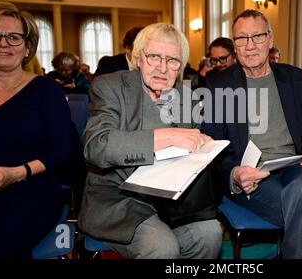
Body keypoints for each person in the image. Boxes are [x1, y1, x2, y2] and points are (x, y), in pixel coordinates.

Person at [201, 9, 302, 259]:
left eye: (257, 36)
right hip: (252, 174)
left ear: (270, 38)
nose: (250, 45)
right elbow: (213, 143)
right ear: (234, 45)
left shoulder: (295, 78)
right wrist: (234, 173)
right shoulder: (219, 84)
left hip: (294, 165)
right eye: (241, 38)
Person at [78, 22, 223, 259]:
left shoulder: (188, 98)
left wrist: (200, 146)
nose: (162, 68)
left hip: (172, 200)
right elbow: (97, 146)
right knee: (162, 247)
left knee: (209, 234)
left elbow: (188, 155)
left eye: (173, 61)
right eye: (154, 56)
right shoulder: (111, 87)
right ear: (138, 57)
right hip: (118, 198)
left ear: (182, 67)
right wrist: (167, 136)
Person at [0, 1, 75, 258]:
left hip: (31, 187)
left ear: (27, 48)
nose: (3, 43)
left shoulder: (46, 90)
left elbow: (63, 150)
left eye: (14, 38)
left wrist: (18, 173)